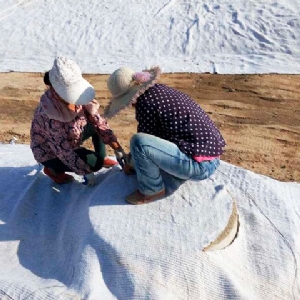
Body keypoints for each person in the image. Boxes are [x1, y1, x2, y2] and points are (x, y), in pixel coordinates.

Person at [106, 66, 226, 204]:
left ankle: (152, 190)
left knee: (138, 142)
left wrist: (130, 163)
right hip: (208, 155)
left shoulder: (146, 103)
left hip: (201, 166)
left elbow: (145, 144)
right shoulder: (159, 91)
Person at [30, 57, 128, 186]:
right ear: (56, 90)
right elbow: (63, 151)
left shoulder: (80, 97)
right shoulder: (49, 114)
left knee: (94, 125)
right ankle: (53, 169)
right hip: (52, 151)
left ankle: (102, 156)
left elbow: (98, 122)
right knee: (95, 163)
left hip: (73, 134)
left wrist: (117, 148)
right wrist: (85, 171)